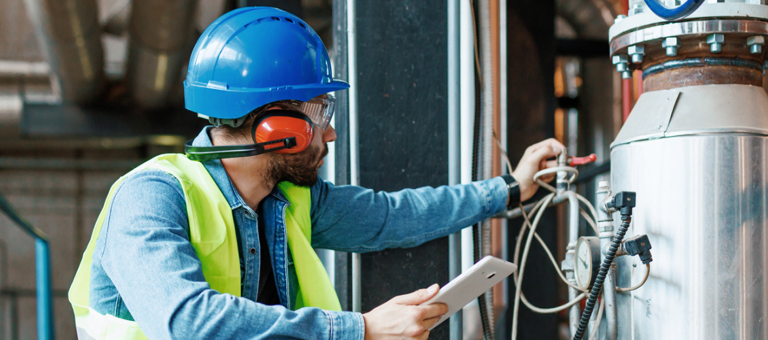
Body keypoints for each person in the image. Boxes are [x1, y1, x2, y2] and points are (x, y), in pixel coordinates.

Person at [68, 7, 565, 340]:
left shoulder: (290, 198)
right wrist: (362, 330)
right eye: (320, 114)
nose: (329, 135)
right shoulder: (152, 196)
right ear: (275, 126)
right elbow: (189, 321)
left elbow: (394, 216)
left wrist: (508, 189)